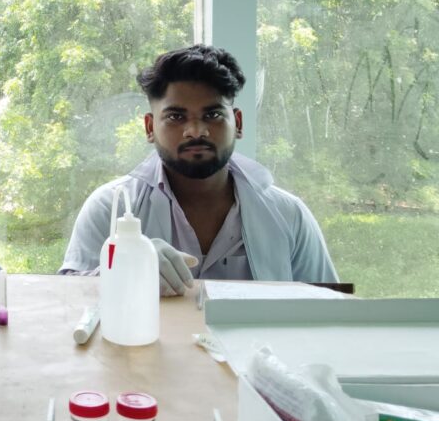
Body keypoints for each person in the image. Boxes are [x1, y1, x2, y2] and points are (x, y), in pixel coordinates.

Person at [60, 45, 338, 294]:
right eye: (175, 116)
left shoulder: (289, 215)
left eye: (213, 115)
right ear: (150, 127)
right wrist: (122, 269)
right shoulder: (111, 207)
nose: (195, 131)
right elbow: (68, 299)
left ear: (238, 124)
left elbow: (328, 309)